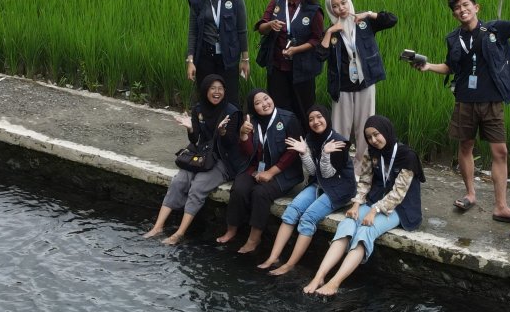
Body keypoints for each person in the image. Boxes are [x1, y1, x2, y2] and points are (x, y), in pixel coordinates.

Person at [410, 0, 510, 223]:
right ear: (454, 14)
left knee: (500, 151)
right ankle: (470, 194)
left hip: (491, 101)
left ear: (476, 7)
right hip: (465, 100)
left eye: (466, 5)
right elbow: (450, 67)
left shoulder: (494, 29)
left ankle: (501, 206)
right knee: (465, 147)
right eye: (457, 8)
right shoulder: (454, 39)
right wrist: (427, 67)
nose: (462, 10)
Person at [305, 114, 425, 296]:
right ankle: (319, 276)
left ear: (386, 131)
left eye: (377, 134)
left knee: (365, 231)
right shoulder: (371, 152)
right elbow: (365, 182)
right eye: (369, 137)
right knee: (347, 223)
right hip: (375, 199)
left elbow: (399, 193)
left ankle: (334, 283)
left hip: (401, 207)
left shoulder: (407, 156)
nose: (374, 140)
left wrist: (374, 211)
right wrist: (356, 204)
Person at [258, 106, 357, 275]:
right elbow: (313, 172)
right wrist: (304, 153)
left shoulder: (338, 142)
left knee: (307, 219)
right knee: (290, 212)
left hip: (339, 188)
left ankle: (290, 264)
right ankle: (273, 257)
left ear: (326, 117)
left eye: (319, 117)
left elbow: (328, 174)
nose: (315, 121)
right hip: (319, 183)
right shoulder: (310, 138)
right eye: (311, 119)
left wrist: (325, 154)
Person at [145, 74, 243, 244]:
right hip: (202, 156)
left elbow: (232, 144)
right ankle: (158, 226)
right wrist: (190, 129)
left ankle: (179, 233)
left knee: (197, 186)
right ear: (205, 90)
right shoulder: (199, 109)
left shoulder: (232, 112)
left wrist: (222, 133)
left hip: (222, 160)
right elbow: (195, 139)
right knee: (178, 182)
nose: (217, 92)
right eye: (212, 88)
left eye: (220, 89)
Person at [320, 0, 397, 179]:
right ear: (331, 9)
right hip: (342, 86)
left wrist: (369, 14)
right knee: (340, 128)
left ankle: (361, 169)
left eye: (343, 3)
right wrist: (329, 32)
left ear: (349, 2)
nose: (340, 8)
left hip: (365, 82)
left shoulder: (363, 23)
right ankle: (339, 167)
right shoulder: (331, 31)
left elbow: (391, 19)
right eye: (335, 6)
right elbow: (319, 55)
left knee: (366, 127)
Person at [218, 88, 304, 254]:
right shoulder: (251, 121)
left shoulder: (288, 118)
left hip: (284, 172)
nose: (264, 104)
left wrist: (271, 173)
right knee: (239, 187)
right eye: (258, 103)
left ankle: (254, 239)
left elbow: (292, 152)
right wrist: (243, 135)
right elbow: (250, 152)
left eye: (266, 99)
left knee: (260, 193)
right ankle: (231, 229)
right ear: (252, 107)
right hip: (257, 167)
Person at [255, 0, 325, 128]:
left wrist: (296, 49)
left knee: (303, 109)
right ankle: (280, 142)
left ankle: (306, 146)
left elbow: (317, 39)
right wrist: (271, 24)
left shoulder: (313, 10)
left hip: (302, 70)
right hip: (277, 67)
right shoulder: (277, 1)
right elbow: (261, 28)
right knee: (278, 109)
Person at [186, 0, 249, 87]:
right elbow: (193, 32)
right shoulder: (197, 2)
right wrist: (190, 61)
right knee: (206, 93)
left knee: (230, 95)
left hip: (229, 56)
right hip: (205, 56)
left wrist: (245, 59)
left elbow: (242, 30)